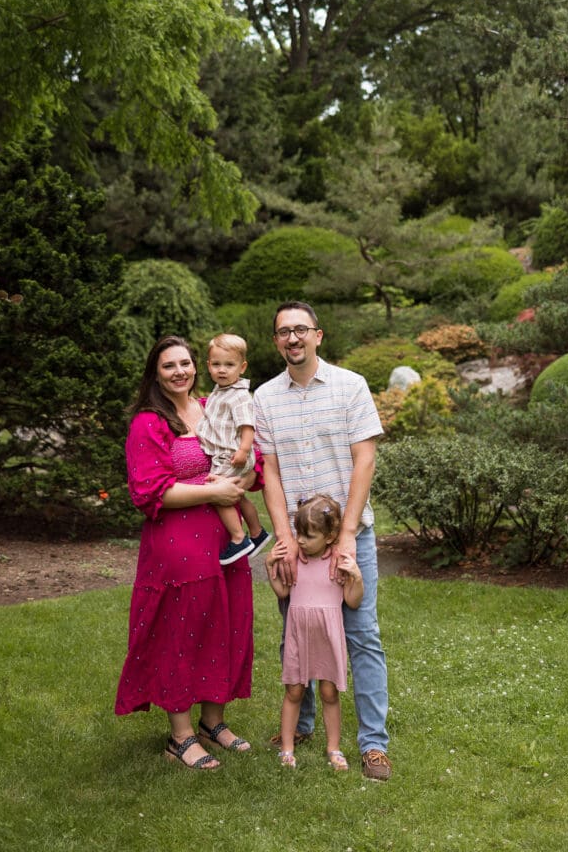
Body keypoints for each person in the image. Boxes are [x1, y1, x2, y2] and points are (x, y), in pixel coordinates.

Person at [253, 301, 392, 781]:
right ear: (275, 341)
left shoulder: (351, 386)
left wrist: (348, 535)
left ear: (318, 335)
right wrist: (286, 537)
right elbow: (268, 471)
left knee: (361, 636)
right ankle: (304, 723)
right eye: (283, 332)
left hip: (350, 534)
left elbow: (364, 460)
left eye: (300, 330)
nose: (292, 339)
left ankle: (373, 744)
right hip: (297, 542)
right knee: (296, 628)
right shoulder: (264, 399)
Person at [114, 335, 259, 770]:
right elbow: (147, 492)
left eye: (185, 363)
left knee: (227, 623)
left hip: (223, 541)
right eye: (168, 366)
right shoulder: (149, 422)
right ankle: (180, 736)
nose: (180, 371)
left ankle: (213, 721)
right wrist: (213, 488)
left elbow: (240, 453)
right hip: (176, 545)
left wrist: (244, 476)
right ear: (155, 374)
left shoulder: (210, 404)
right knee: (180, 633)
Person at [265, 494, 363, 771]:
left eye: (309, 536)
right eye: (299, 534)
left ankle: (334, 748)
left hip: (327, 637)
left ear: (331, 536)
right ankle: (287, 748)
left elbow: (353, 601)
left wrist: (356, 576)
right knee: (294, 691)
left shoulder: (338, 562)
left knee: (330, 692)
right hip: (299, 636)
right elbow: (284, 592)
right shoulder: (297, 561)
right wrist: (271, 567)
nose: (302, 541)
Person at [196, 333, 271, 565]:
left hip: (232, 454)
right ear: (208, 366)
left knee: (219, 493)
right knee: (237, 496)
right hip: (228, 453)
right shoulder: (220, 392)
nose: (222, 370)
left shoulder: (238, 396)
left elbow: (247, 426)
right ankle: (258, 534)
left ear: (242, 367)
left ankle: (239, 539)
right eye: (216, 364)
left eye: (229, 365)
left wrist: (243, 450)